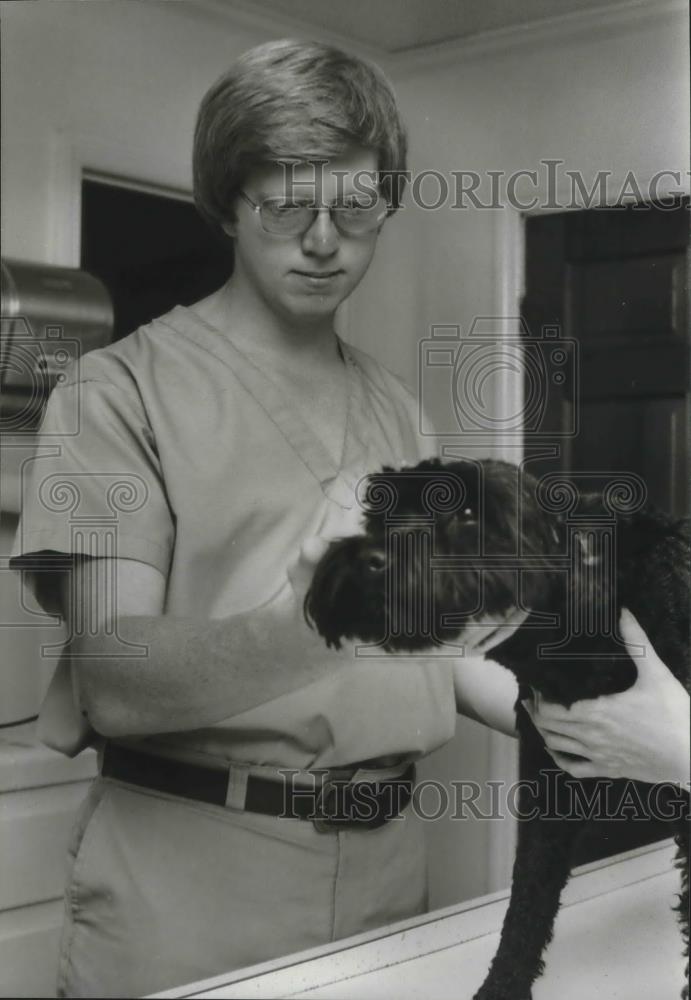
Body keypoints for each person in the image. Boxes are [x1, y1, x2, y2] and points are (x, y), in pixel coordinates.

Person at [10, 39, 520, 998]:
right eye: (288, 202)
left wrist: (585, 706)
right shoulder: (110, 396)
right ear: (228, 203)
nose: (324, 239)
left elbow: (431, 643)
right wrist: (304, 620)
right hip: (194, 883)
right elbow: (115, 682)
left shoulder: (397, 410)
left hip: (388, 872)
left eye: (357, 207)